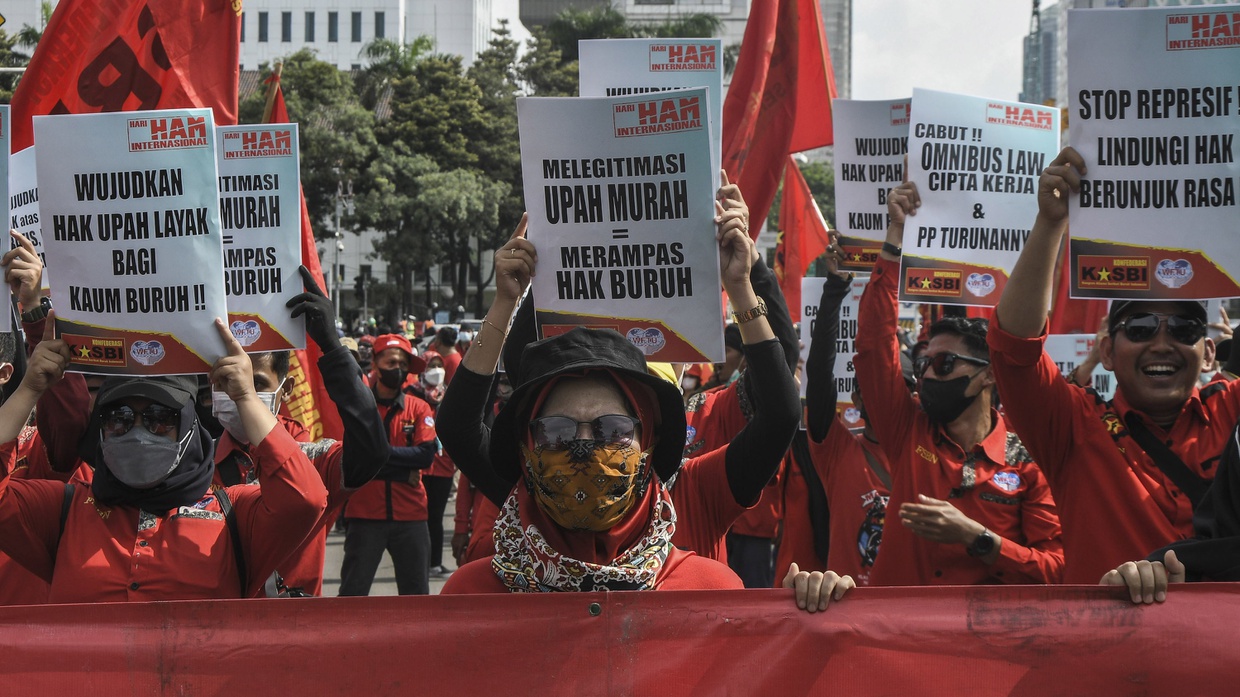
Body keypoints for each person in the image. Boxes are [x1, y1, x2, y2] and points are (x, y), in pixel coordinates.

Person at [439, 199, 799, 593]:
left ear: (650, 434)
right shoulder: (513, 522)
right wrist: (505, 302)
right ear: (527, 447)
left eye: (611, 428)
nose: (583, 447)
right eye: (557, 430)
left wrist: (744, 287)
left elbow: (780, 414)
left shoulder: (696, 495)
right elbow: (458, 426)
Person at [990, 146, 1240, 583]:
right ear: (1106, 351)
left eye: (1183, 331)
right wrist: (1051, 224)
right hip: (1112, 651)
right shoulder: (1072, 428)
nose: (1163, 344)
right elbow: (1014, 349)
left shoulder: (1234, 414)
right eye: (1141, 328)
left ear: (1210, 353)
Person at [0, 316, 328, 602]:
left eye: (160, 417)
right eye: (120, 417)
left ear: (187, 427)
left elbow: (305, 499)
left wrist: (245, 396)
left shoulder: (233, 515)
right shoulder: (64, 511)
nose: (138, 431)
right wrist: (29, 389)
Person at [853, 179, 1064, 586]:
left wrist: (978, 539)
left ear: (988, 374)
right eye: (924, 362)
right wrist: (894, 239)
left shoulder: (1029, 460)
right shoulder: (907, 430)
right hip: (902, 643)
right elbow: (873, 346)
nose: (928, 373)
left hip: (987, 646)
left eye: (945, 363)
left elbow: (1057, 570)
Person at [775, 239, 895, 587]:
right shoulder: (839, 450)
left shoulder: (925, 450)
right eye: (873, 386)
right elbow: (819, 374)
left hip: (909, 615)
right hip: (846, 608)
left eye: (894, 385)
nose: (884, 394)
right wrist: (835, 289)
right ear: (855, 398)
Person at [339, 333, 438, 596]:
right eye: (391, 362)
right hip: (364, 516)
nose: (398, 369)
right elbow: (352, 458)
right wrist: (404, 470)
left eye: (403, 364)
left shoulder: (418, 408)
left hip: (412, 517)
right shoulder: (359, 407)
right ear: (375, 363)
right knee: (352, 595)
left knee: (417, 596)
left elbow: (426, 455)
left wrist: (376, 458)